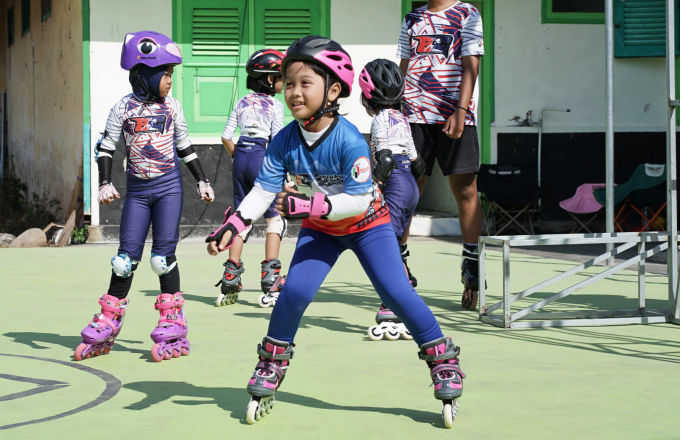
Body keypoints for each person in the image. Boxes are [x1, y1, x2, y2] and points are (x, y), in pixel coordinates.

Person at [206, 35, 466, 429]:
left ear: (333, 90)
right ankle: (272, 363)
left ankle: (442, 358)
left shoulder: (348, 140)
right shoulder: (283, 140)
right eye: (288, 83)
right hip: (322, 230)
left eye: (304, 83)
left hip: (368, 226)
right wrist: (235, 223)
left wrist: (308, 206)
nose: (293, 92)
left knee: (396, 293)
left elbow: (359, 201)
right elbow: (263, 189)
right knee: (292, 293)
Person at [73, 31, 215, 363]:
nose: (169, 81)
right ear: (144, 72)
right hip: (137, 191)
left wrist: (202, 180)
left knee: (161, 259)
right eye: (165, 74)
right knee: (124, 260)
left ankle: (173, 321)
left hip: (168, 188)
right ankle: (109, 320)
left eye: (171, 74)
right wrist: (105, 183)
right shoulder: (122, 108)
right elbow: (106, 147)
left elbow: (184, 147)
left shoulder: (173, 107)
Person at [397, 0, 485, 310]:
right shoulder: (412, 17)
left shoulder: (467, 13)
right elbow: (404, 67)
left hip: (455, 116)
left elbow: (471, 64)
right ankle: (400, 263)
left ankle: (472, 263)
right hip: (413, 117)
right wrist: (393, 110)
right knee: (406, 189)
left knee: (465, 189)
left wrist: (461, 111)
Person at [358, 58, 426, 341]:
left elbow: (384, 157)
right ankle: (405, 280)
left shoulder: (379, 120)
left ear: (367, 95)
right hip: (411, 181)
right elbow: (416, 160)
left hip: (395, 180)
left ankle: (392, 303)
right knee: (396, 240)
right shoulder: (401, 117)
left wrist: (377, 185)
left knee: (385, 241)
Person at [216, 49, 287, 308]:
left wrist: (238, 157)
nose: (284, 82)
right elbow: (277, 143)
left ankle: (230, 277)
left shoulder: (241, 102)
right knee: (274, 219)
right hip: (262, 159)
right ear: (269, 80)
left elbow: (225, 137)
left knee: (240, 217)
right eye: (281, 77)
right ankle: (271, 280)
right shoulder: (276, 105)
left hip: (241, 157)